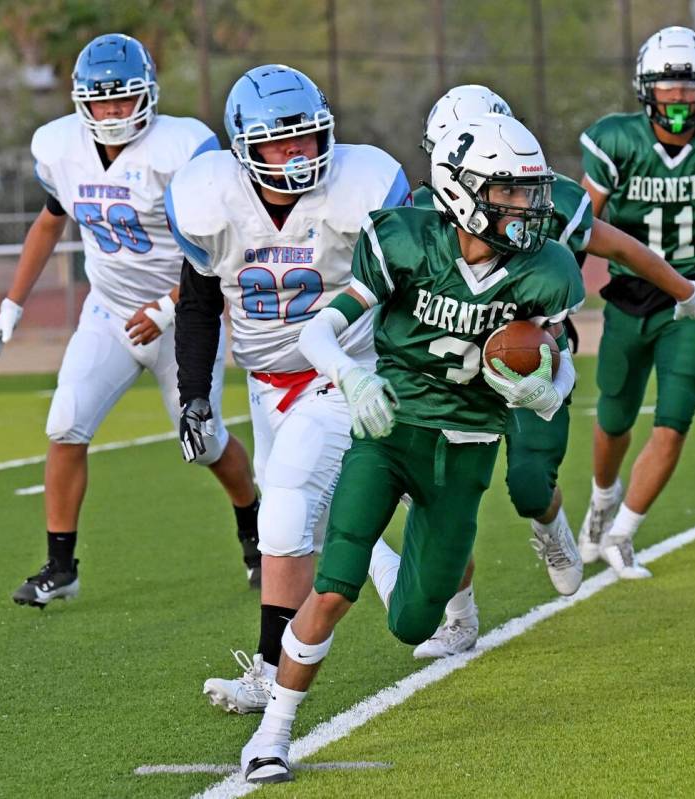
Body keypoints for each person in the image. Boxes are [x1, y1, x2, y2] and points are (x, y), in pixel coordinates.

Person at [239, 113, 586, 783]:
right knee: (335, 585)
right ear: (461, 192)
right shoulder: (405, 241)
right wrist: (351, 373)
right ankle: (272, 734)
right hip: (389, 434)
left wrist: (547, 390)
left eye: (528, 192)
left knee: (411, 621)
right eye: (508, 192)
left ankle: (421, 574)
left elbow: (558, 357)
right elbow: (319, 331)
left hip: (467, 450)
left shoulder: (543, 270)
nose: (524, 207)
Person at [398, 84, 695, 658]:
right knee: (443, 502)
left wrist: (686, 292)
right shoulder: (416, 216)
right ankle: (459, 617)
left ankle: (550, 523)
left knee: (528, 484)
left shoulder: (552, 200)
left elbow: (622, 248)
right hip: (451, 379)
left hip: (532, 368)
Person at [0, 33, 258, 607]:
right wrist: (12, 304)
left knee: (203, 442)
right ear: (81, 102)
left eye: (122, 99)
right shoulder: (61, 148)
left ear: (148, 95)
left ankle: (253, 531)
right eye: (99, 100)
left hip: (183, 317)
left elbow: (222, 245)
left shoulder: (182, 148)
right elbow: (49, 222)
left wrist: (166, 307)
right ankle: (61, 567)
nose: (110, 112)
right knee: (65, 425)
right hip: (106, 311)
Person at [166, 64, 411, 715]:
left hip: (343, 371)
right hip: (266, 383)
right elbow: (197, 303)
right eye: (281, 143)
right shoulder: (211, 202)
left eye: (307, 139)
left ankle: (271, 675)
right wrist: (195, 393)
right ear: (245, 149)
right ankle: (437, 596)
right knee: (318, 521)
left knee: (283, 516)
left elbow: (406, 283)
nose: (298, 156)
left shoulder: (360, 188)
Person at [578, 26, 695, 578]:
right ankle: (600, 501)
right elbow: (581, 225)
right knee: (613, 418)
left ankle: (623, 534)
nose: (680, 98)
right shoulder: (616, 141)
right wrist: (557, 300)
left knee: (674, 420)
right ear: (646, 89)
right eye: (669, 86)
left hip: (693, 300)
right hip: (628, 299)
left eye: (691, 87)